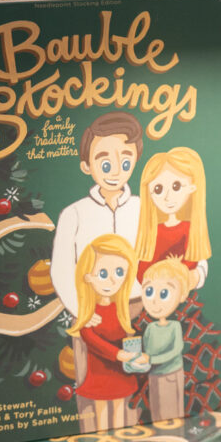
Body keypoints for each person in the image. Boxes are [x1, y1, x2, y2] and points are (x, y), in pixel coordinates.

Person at [50, 112, 144, 317]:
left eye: (125, 163)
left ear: (135, 160)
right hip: (92, 308)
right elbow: (61, 269)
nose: (116, 172)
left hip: (139, 305)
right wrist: (79, 310)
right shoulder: (74, 214)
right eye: (106, 165)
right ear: (86, 166)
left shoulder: (144, 208)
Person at [66, 234, 140, 431]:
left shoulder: (120, 308)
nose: (112, 280)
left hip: (120, 371)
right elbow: (90, 339)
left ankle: (119, 441)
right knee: (102, 414)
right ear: (88, 276)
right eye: (103, 273)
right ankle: (104, 441)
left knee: (119, 410)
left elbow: (125, 335)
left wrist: (133, 353)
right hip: (100, 371)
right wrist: (118, 354)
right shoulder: (90, 313)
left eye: (119, 272)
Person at [134, 148, 211, 285]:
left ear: (192, 188)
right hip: (152, 293)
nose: (167, 197)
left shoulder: (191, 230)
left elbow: (194, 267)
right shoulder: (153, 232)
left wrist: (188, 277)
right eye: (158, 189)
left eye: (176, 186)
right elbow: (142, 273)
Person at [136, 257, 192, 421]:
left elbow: (176, 351)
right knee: (157, 410)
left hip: (172, 374)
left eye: (164, 294)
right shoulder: (150, 328)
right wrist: (139, 360)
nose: (154, 301)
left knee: (173, 410)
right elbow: (147, 350)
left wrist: (151, 359)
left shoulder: (174, 327)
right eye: (149, 292)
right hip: (154, 376)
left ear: (182, 295)